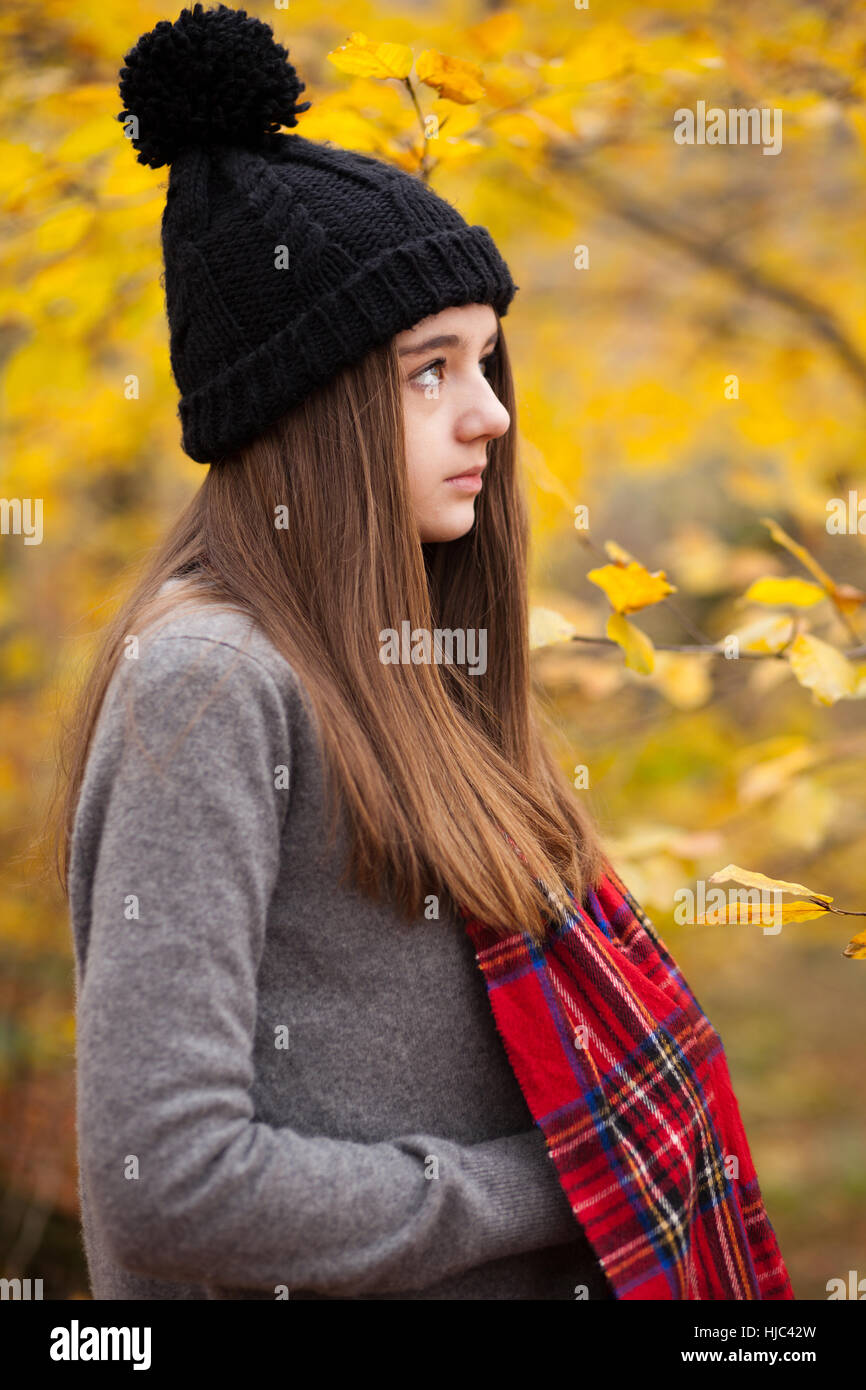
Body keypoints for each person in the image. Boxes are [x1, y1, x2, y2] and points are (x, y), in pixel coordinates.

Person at [53, 4, 792, 1301]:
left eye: (486, 360)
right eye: (427, 370)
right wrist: (559, 1181)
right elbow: (161, 1176)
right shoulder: (213, 684)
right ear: (311, 407)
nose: (492, 412)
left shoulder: (410, 667)